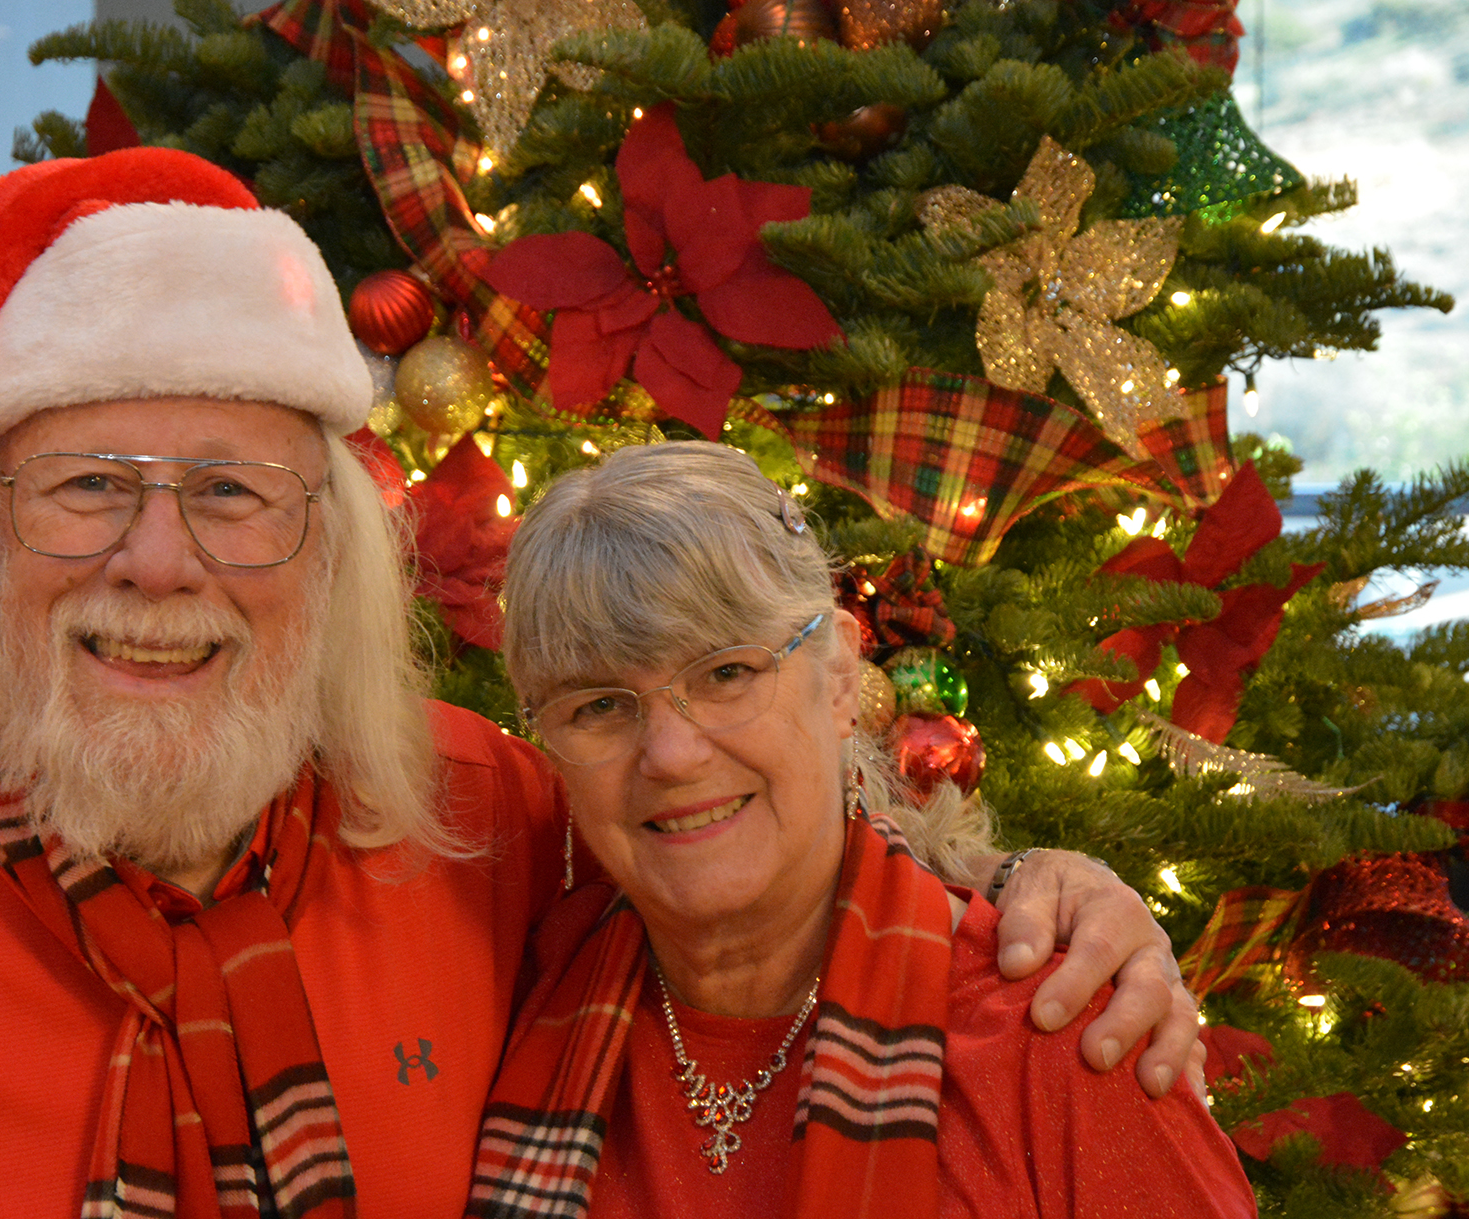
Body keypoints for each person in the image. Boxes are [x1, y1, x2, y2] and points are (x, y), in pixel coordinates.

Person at [0, 148, 1193, 1218]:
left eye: (234, 492)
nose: (158, 560)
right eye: (84, 486)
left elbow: (747, 847)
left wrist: (1043, 889)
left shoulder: (482, 818)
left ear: (331, 552)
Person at [468, 441, 1255, 1219]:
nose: (671, 754)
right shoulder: (513, 998)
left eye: (727, 671)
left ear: (841, 678)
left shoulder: (1062, 1041)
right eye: (599, 706)